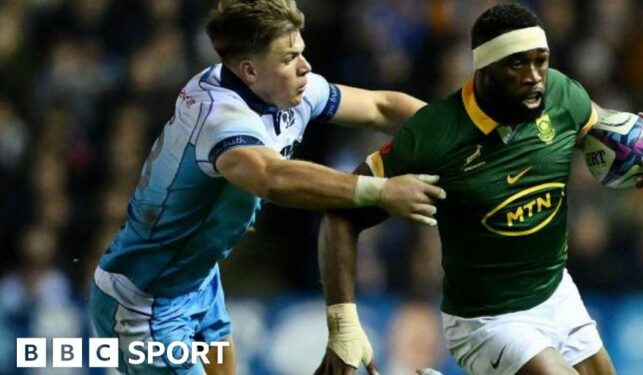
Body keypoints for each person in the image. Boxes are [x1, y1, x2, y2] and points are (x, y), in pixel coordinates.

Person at [315, 3, 643, 375]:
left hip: (555, 293)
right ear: (485, 70)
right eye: (517, 64)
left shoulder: (559, 96)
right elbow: (342, 213)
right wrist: (343, 324)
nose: (534, 77)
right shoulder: (434, 136)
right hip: (486, 320)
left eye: (540, 61)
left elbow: (607, 126)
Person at [88, 0, 447, 374]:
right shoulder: (220, 118)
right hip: (145, 300)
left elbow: (381, 108)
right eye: (290, 57)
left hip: (197, 278)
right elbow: (273, 178)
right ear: (249, 70)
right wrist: (382, 191)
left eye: (301, 52)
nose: (305, 66)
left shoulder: (285, 88)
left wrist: (462, 136)